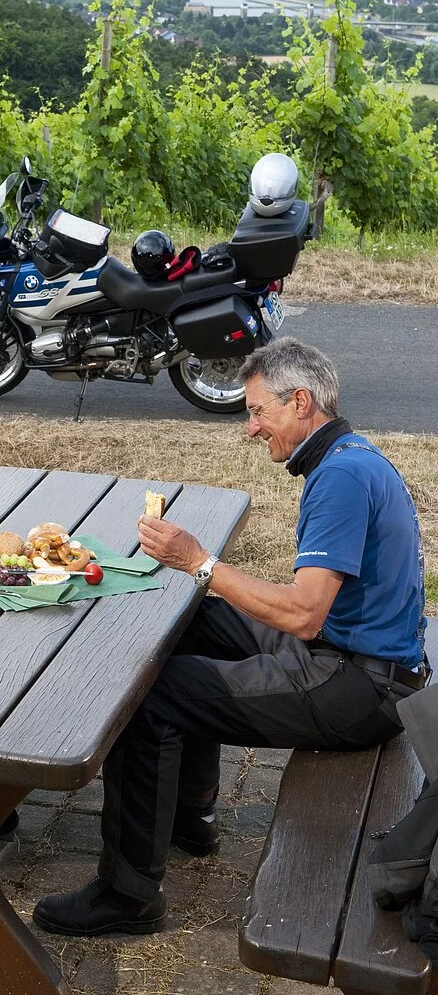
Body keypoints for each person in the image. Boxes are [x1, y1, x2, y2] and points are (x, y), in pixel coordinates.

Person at [33, 336, 427, 937]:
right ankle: (188, 818)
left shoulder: (341, 478)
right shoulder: (352, 457)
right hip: (362, 655)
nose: (251, 429)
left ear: (300, 402)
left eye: (257, 411)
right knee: (188, 622)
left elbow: (302, 616)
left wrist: (198, 561)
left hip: (361, 686)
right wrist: (201, 576)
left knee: (152, 695)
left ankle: (128, 894)